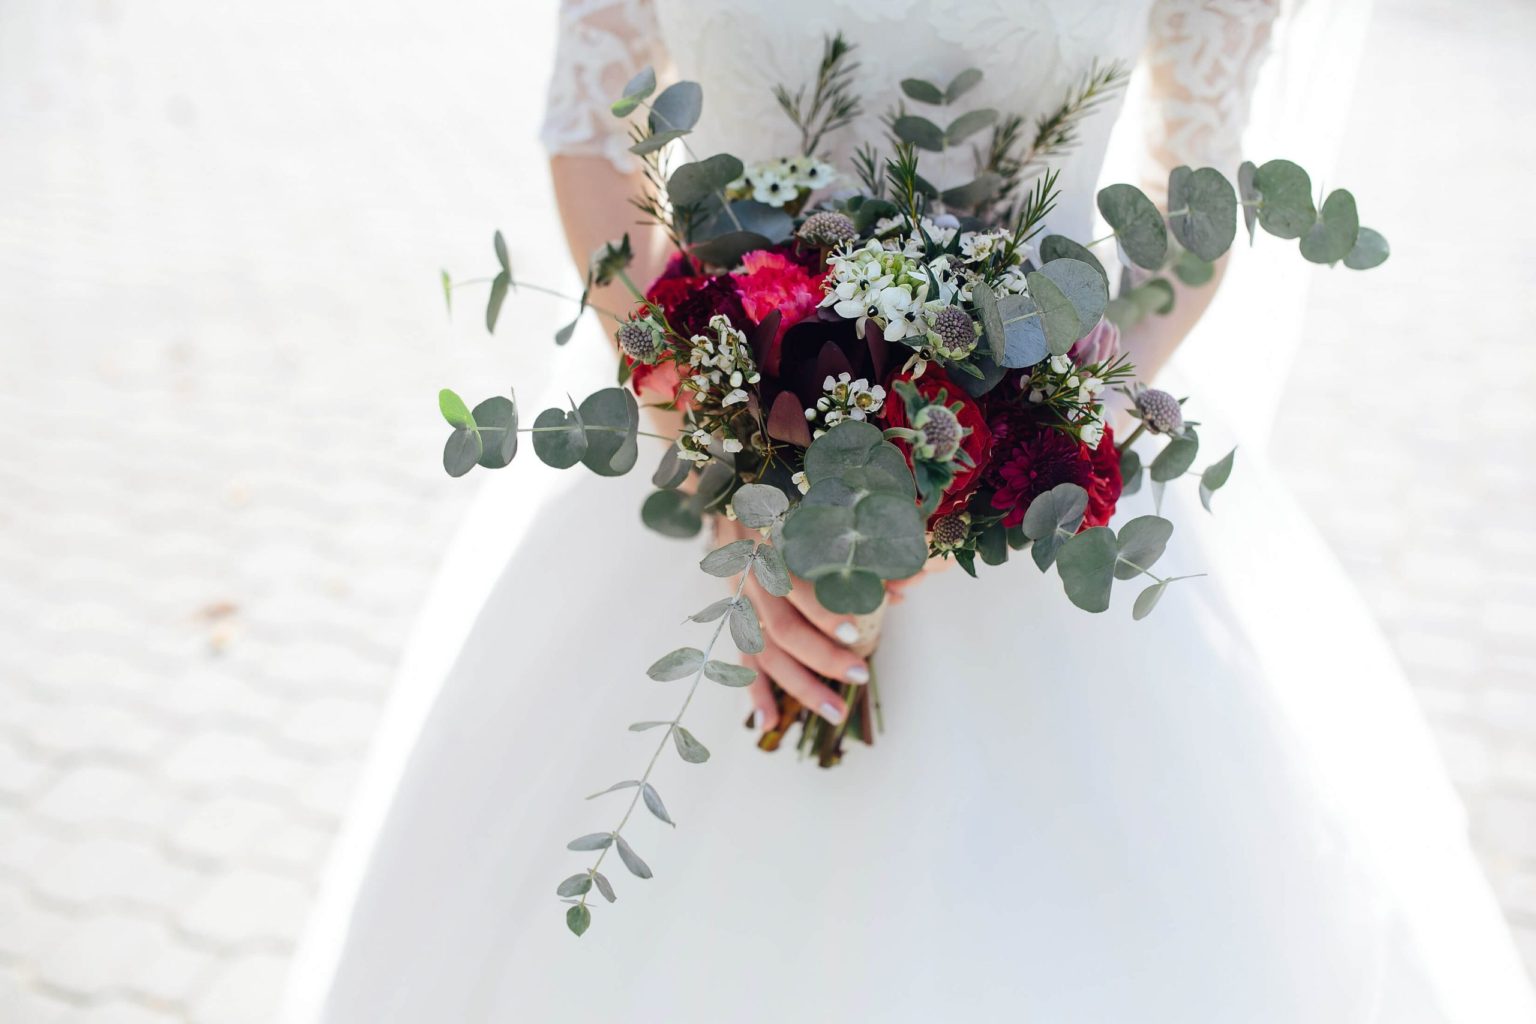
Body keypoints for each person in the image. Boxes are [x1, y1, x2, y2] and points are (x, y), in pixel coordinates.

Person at [284, 1, 1536, 1019]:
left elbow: (1189, 208)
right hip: (695, 433)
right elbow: (592, 134)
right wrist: (726, 459)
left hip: (1033, 514)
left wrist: (1016, 454)